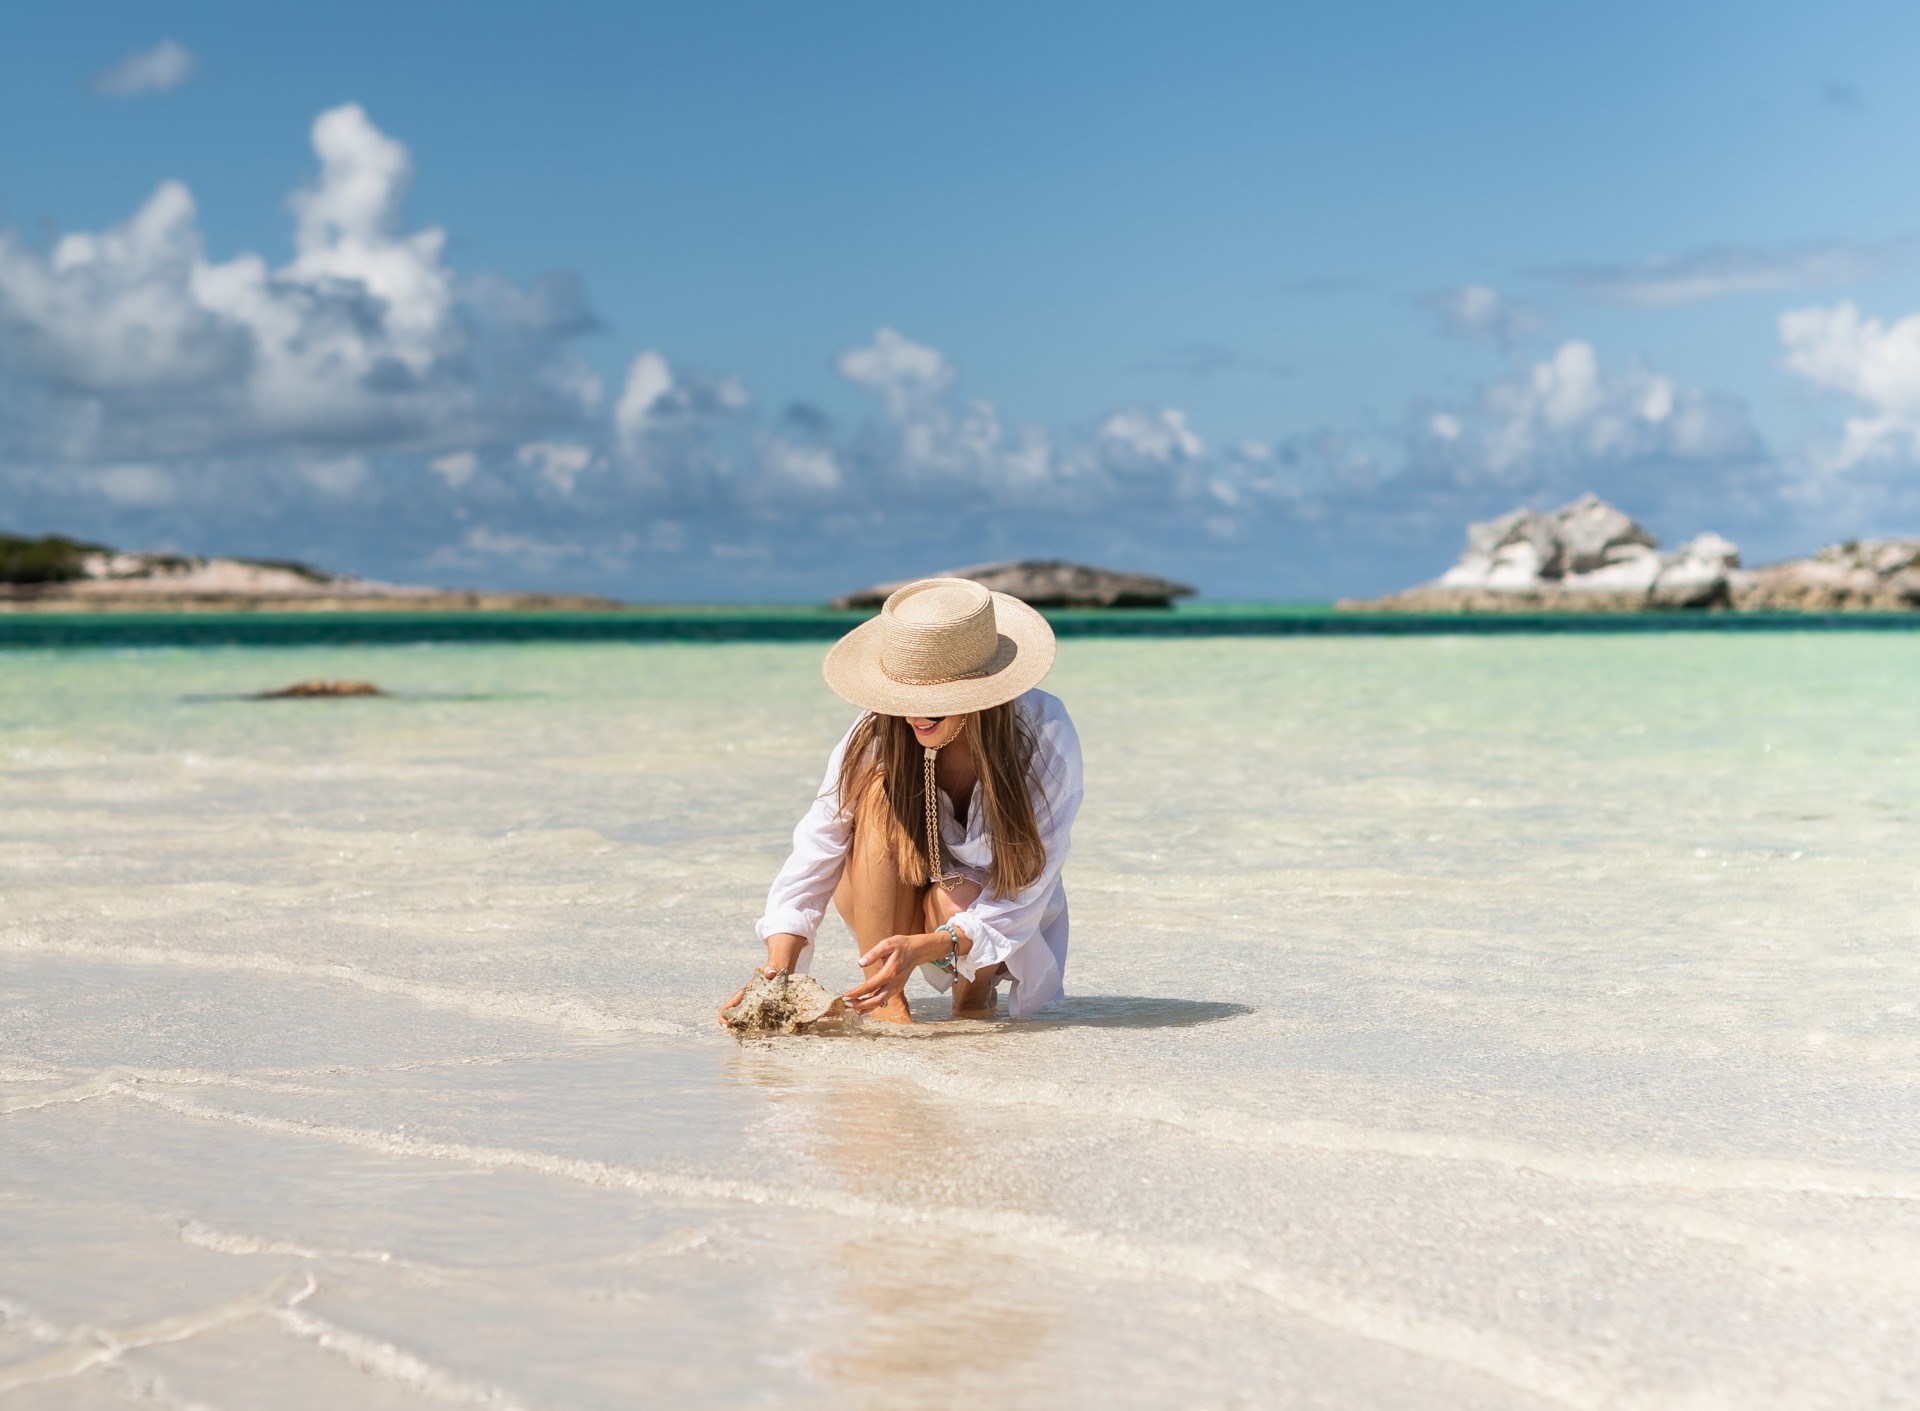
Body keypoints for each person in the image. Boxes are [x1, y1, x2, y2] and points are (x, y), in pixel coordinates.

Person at [720, 577, 1083, 1025]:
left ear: (979, 696)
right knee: (874, 795)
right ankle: (886, 1004)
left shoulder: (1043, 730)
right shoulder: (877, 730)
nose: (911, 714)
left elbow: (1031, 880)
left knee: (961, 902)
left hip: (988, 918)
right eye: (902, 698)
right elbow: (817, 845)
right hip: (888, 896)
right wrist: (775, 970)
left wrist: (931, 945)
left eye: (932, 702)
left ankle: (972, 1001)